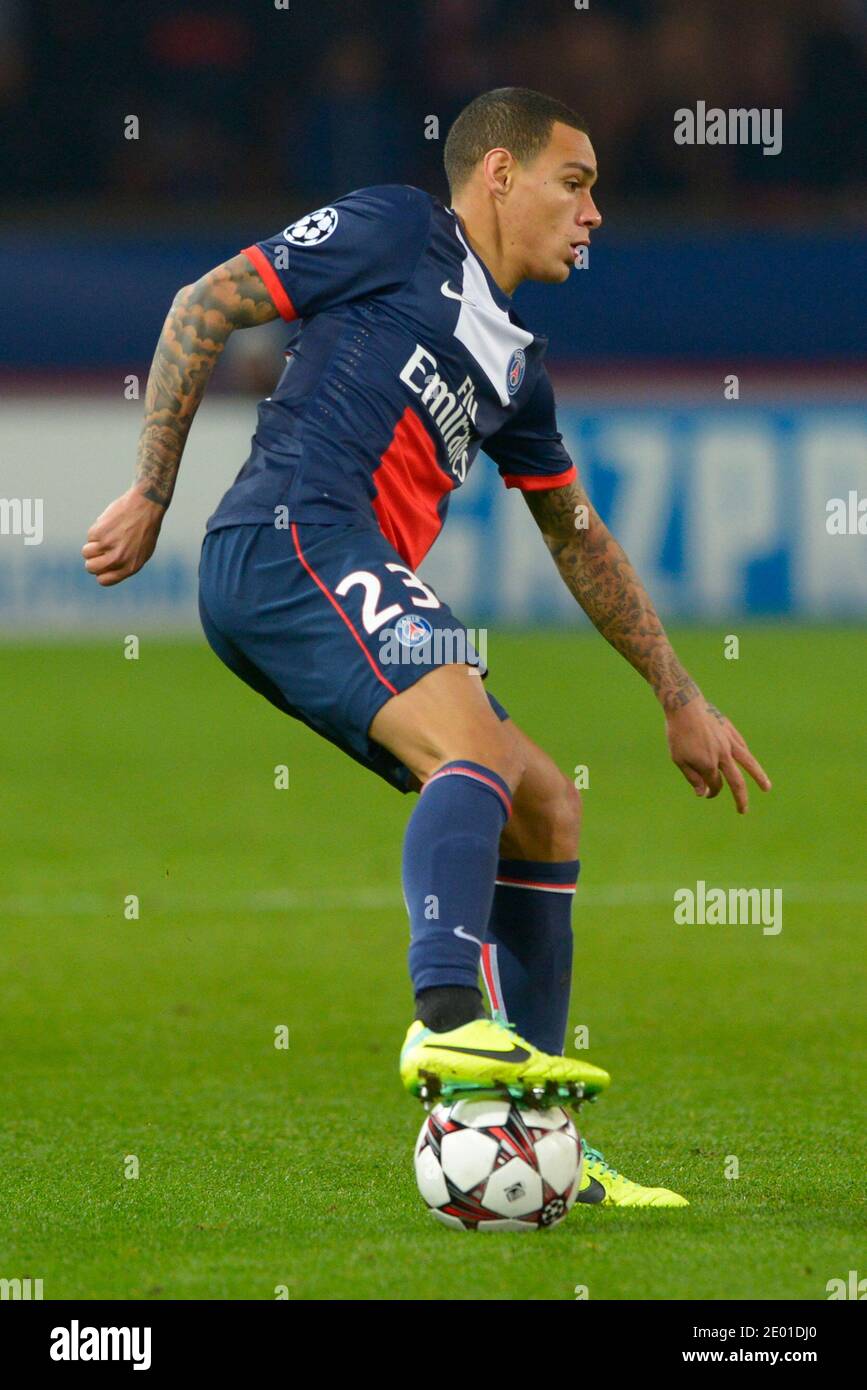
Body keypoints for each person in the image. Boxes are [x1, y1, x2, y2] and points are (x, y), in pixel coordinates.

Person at [82, 87, 771, 1207]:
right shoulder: (403, 229)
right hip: (287, 539)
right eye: (576, 182)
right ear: (499, 174)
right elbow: (203, 302)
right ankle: (448, 1014)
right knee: (476, 753)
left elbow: (579, 538)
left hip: (342, 568)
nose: (594, 214)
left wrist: (678, 695)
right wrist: (153, 490)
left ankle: (540, 1134)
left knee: (546, 798)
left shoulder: (518, 370)